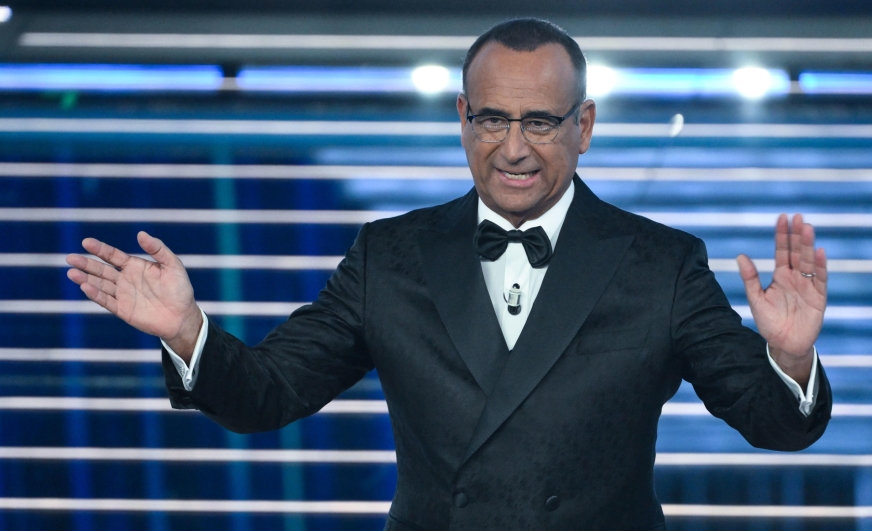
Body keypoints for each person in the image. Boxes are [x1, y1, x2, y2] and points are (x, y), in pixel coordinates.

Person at [65, 18, 831, 531]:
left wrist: (791, 359)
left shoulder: (662, 263)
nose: (514, 148)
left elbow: (770, 418)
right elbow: (268, 392)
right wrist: (187, 332)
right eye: (493, 119)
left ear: (585, 126)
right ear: (463, 116)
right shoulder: (387, 257)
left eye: (539, 121)